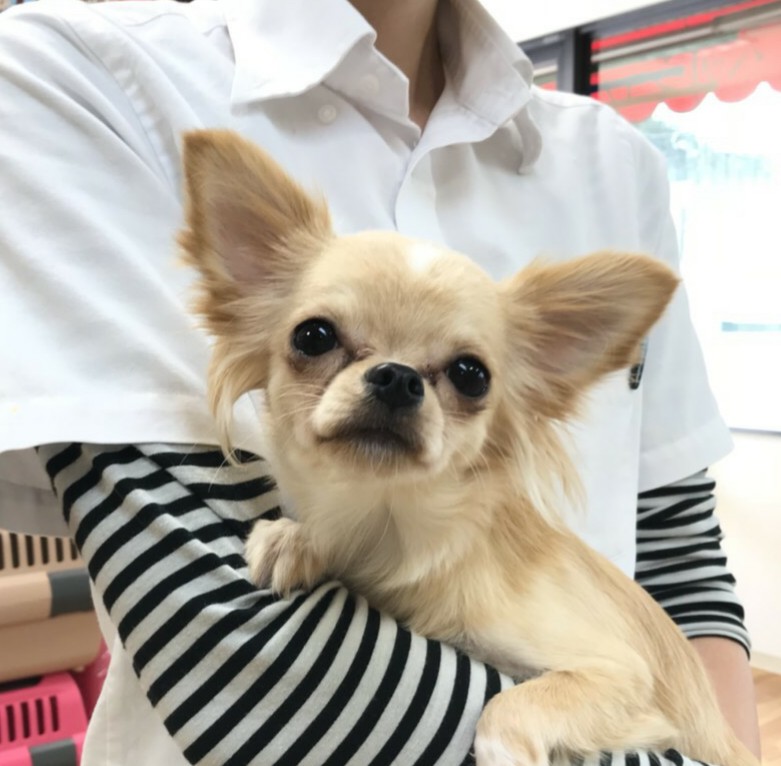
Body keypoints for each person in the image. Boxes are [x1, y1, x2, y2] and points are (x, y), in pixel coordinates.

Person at [0, 0, 760, 764]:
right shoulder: (71, 71)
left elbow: (675, 551)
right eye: (319, 340)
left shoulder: (616, 160)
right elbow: (234, 652)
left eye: (465, 377)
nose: (395, 387)